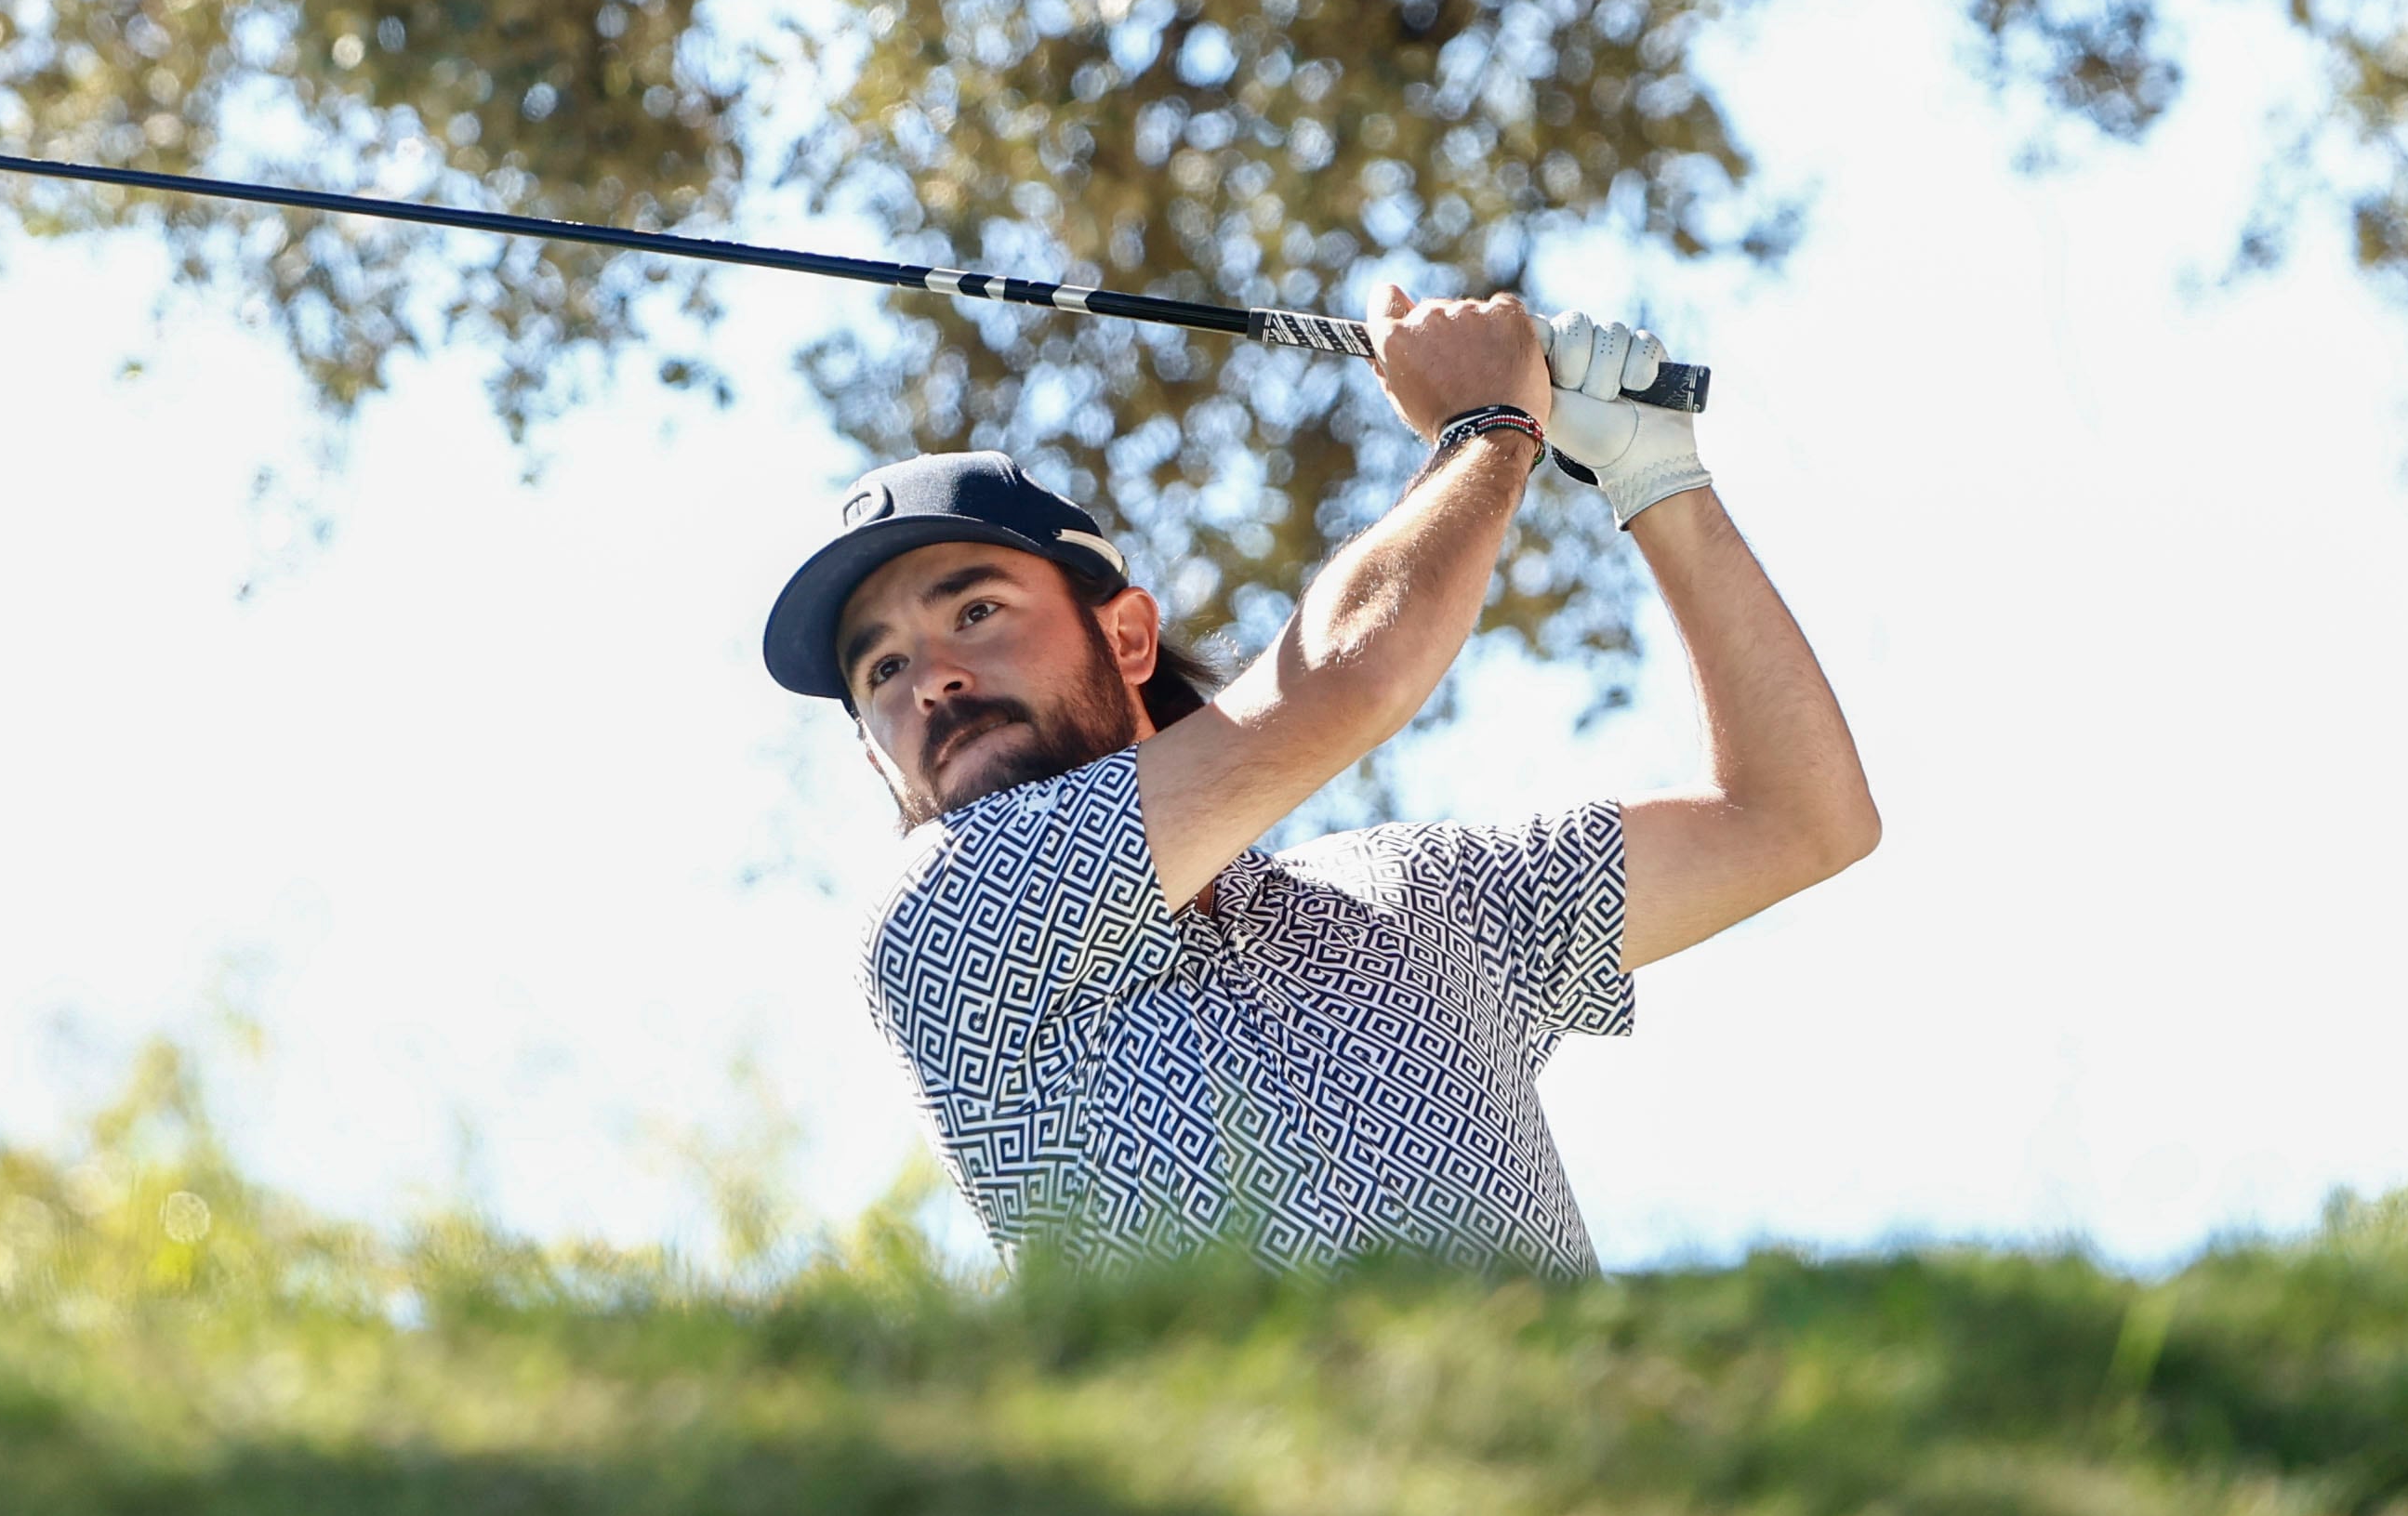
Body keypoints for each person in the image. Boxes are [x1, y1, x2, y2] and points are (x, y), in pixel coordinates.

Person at [758, 290, 1875, 1273]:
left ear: (1130, 638)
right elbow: (1350, 679)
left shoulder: (1413, 894)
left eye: (976, 612)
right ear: (874, 753)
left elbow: (1797, 819)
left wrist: (1654, 473)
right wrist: (1491, 426)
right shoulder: (943, 921)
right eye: (883, 670)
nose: (934, 681)